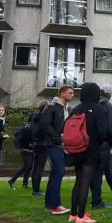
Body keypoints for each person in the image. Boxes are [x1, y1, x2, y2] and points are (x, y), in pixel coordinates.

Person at [66, 82, 107, 223]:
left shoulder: (75, 109)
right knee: (85, 182)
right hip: (90, 150)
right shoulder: (97, 109)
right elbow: (103, 132)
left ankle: (73, 214)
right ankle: (81, 216)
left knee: (78, 181)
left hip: (76, 150)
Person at [40, 86, 75, 215]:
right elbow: (45, 126)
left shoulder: (67, 109)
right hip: (53, 145)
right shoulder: (51, 107)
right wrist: (59, 139)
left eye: (73, 93)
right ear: (62, 93)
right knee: (59, 172)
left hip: (61, 145)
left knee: (55, 173)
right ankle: (56, 206)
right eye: (70, 93)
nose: (72, 95)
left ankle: (50, 204)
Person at [89, 84, 112, 210]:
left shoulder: (92, 105)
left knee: (90, 173)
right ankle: (97, 202)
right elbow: (110, 127)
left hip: (90, 144)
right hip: (103, 144)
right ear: (108, 94)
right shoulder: (108, 106)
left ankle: (88, 198)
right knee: (98, 174)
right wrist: (111, 142)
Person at [8, 113, 35, 190]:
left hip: (31, 150)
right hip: (26, 150)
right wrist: (31, 145)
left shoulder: (30, 127)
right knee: (26, 167)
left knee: (29, 167)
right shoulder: (27, 128)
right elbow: (26, 141)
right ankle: (12, 180)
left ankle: (25, 184)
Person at [29, 100, 49, 196]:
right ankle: (36, 190)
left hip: (35, 144)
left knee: (35, 167)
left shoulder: (34, 117)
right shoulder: (43, 118)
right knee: (39, 168)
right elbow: (43, 131)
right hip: (42, 144)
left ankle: (35, 189)